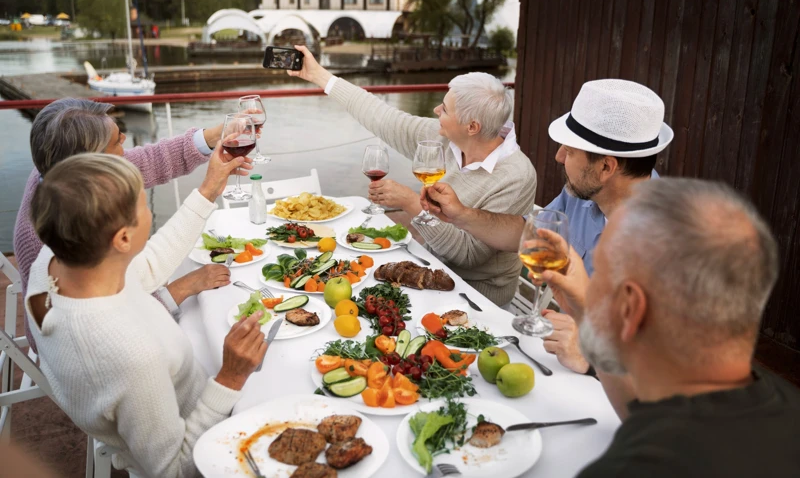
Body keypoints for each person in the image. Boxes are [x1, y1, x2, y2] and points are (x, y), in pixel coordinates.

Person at [25, 152, 266, 477]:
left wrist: (209, 188)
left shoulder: (52, 262)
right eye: (143, 205)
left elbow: (148, 264)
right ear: (123, 239)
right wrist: (231, 378)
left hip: (185, 387)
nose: (150, 212)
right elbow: (174, 470)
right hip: (213, 431)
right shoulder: (131, 355)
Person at [543, 178, 800, 477]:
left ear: (631, 308)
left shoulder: (630, 468)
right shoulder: (774, 403)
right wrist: (589, 316)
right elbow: (643, 413)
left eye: (597, 270)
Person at [420, 79, 673, 373]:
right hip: (562, 355)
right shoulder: (582, 194)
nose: (559, 157)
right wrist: (461, 215)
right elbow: (527, 235)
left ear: (606, 167)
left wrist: (592, 358)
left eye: (570, 151)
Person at [287, 45, 536, 306]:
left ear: (472, 127)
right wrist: (318, 76)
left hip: (476, 298)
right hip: (427, 269)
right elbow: (381, 117)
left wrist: (411, 202)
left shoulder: (516, 176)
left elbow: (468, 256)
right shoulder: (441, 138)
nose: (436, 111)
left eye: (446, 109)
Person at [14, 98, 230, 351]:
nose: (126, 140)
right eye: (117, 141)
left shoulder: (58, 175)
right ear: (93, 163)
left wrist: (211, 138)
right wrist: (179, 290)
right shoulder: (52, 239)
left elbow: (146, 161)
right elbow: (112, 323)